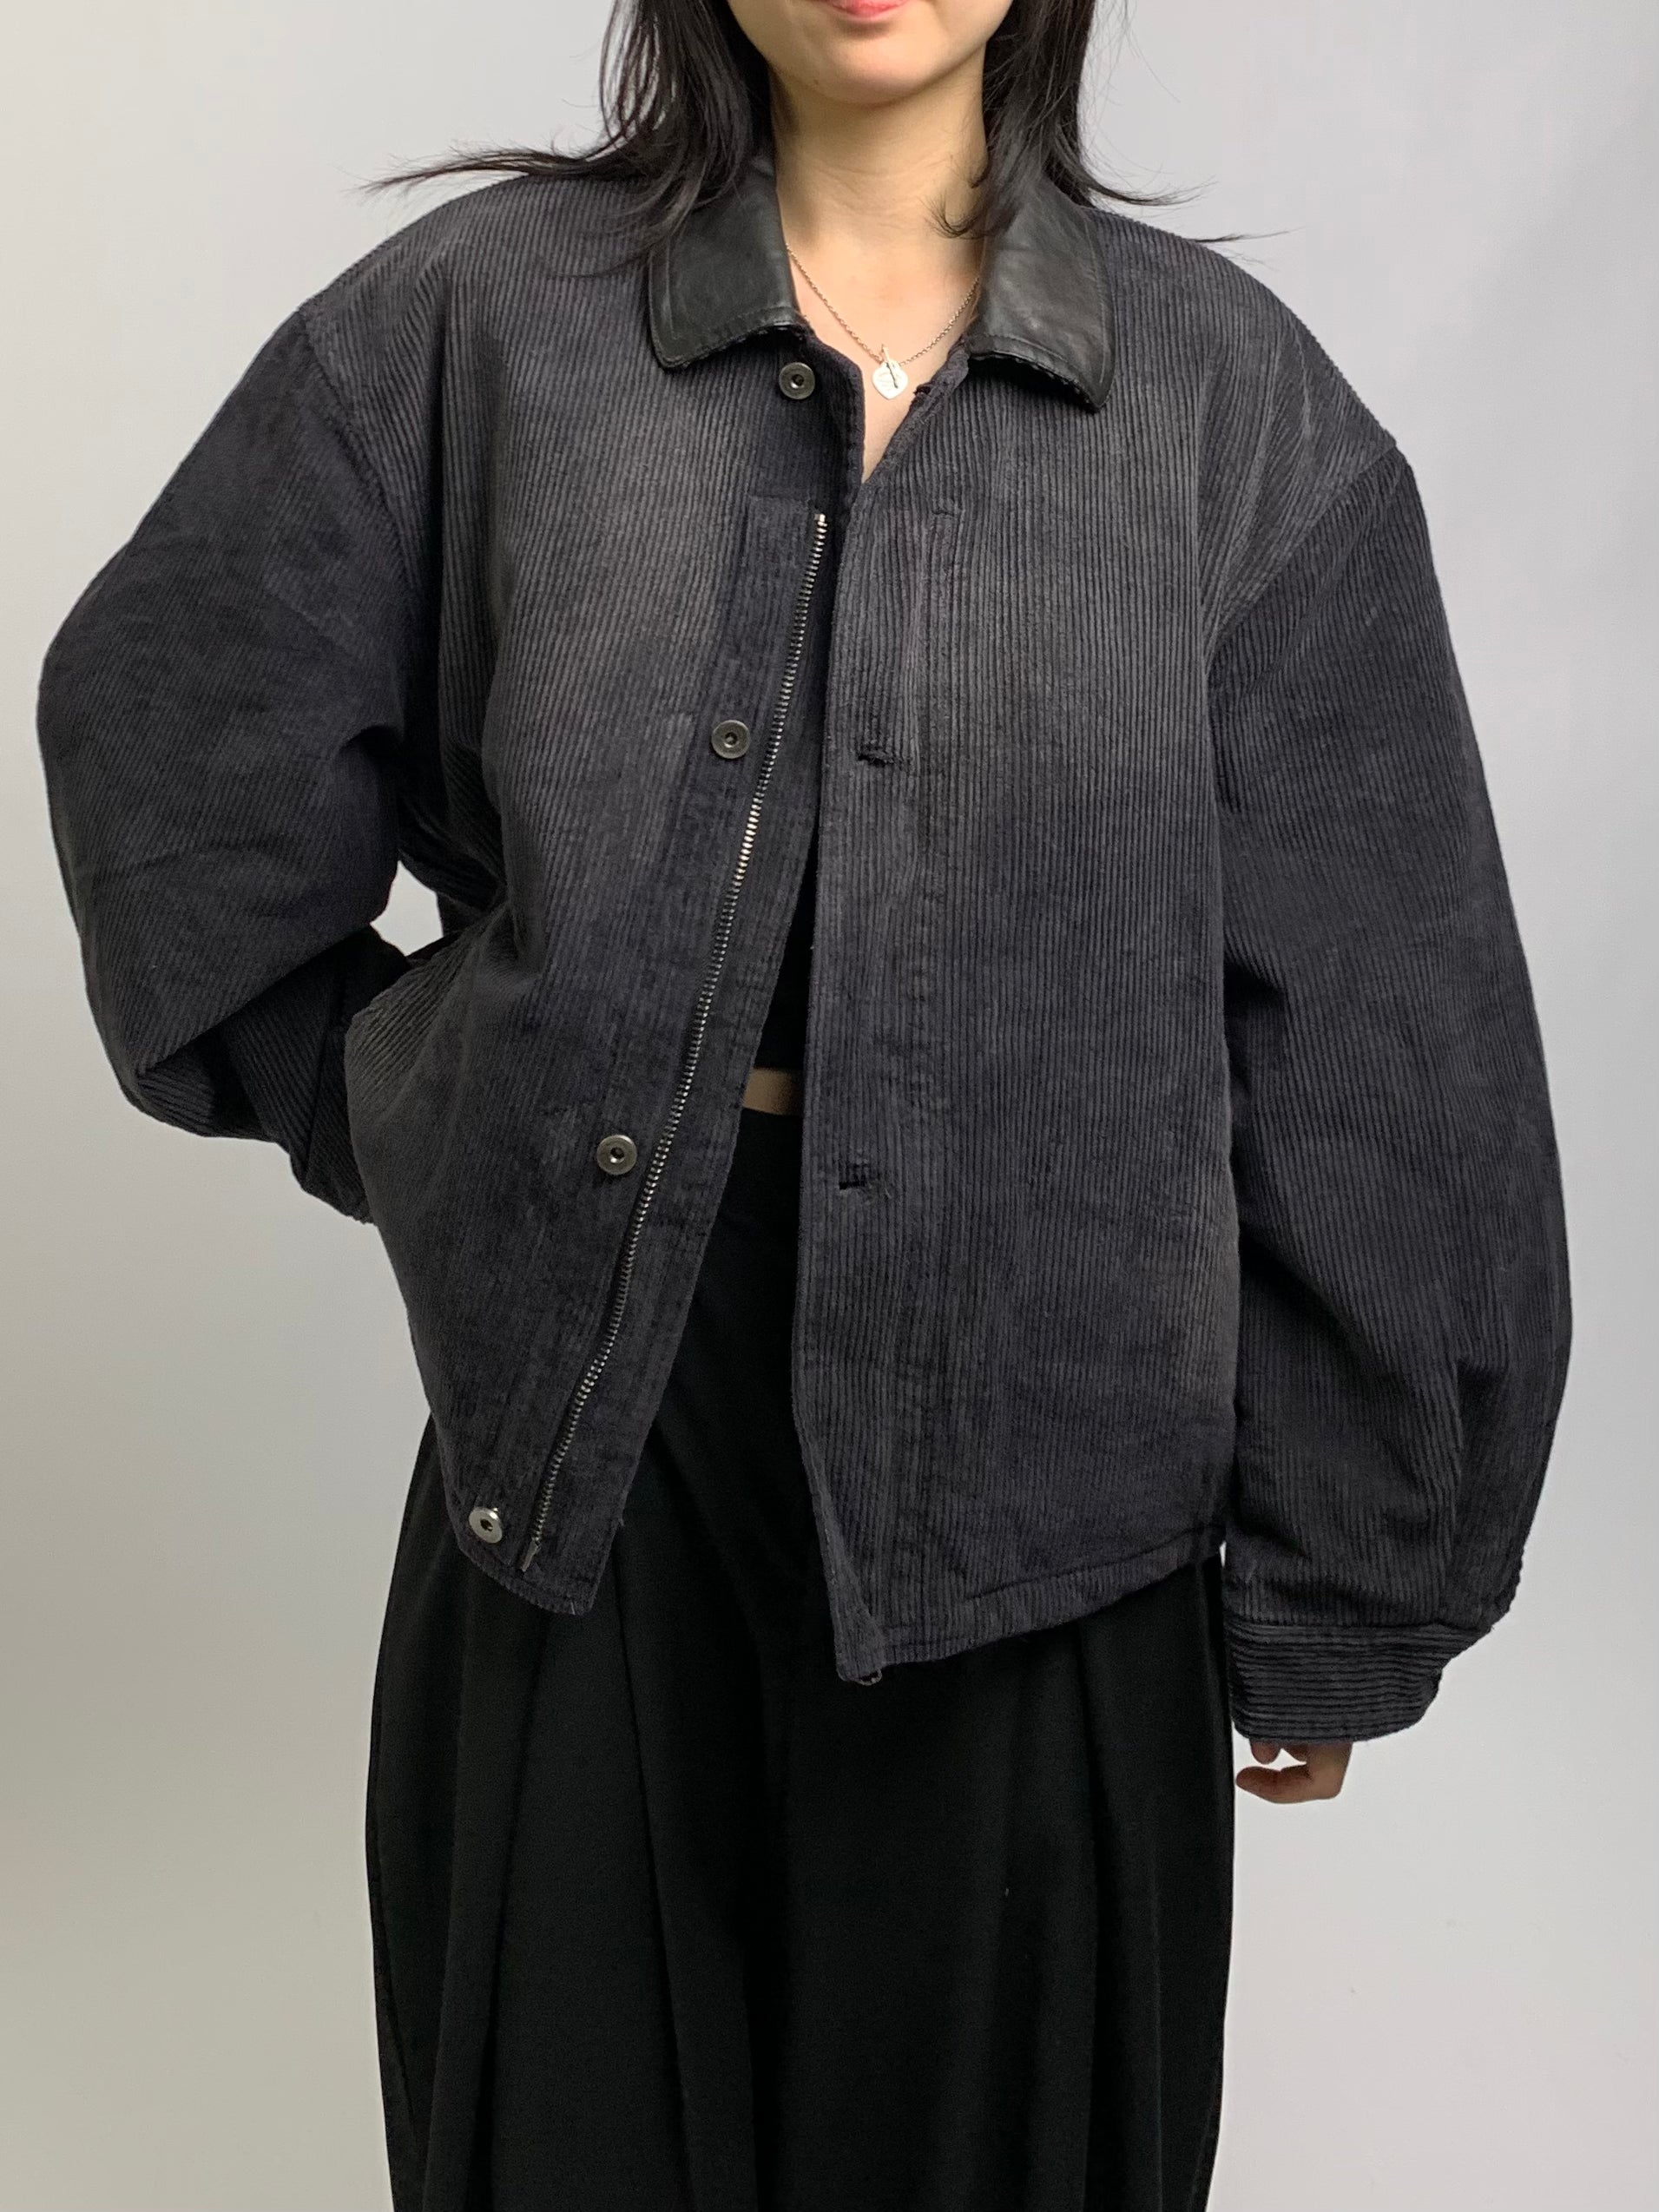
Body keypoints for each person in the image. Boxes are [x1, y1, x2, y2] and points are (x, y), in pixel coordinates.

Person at [34, 0, 1572, 2205]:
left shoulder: (1234, 413)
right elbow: (172, 743)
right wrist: (430, 1112)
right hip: (593, 1461)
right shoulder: (476, 330)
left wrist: (1351, 1572)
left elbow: (1384, 1024)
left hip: (1058, 1505)